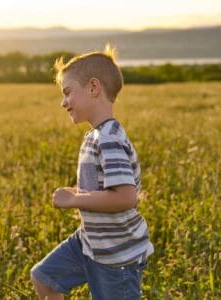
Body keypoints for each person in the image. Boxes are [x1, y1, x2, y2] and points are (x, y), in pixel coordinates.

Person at [30, 45, 154, 300]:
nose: (63, 102)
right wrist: (76, 192)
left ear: (93, 88)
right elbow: (103, 191)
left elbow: (124, 197)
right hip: (89, 242)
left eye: (67, 92)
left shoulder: (109, 139)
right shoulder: (95, 136)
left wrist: (75, 199)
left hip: (115, 256)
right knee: (44, 278)